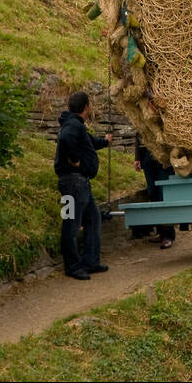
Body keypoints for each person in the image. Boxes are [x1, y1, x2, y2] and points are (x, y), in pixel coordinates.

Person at [55, 91, 112, 280]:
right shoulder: (72, 125)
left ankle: (90, 262)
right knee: (71, 224)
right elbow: (65, 140)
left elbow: (88, 142)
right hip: (72, 183)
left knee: (93, 218)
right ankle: (72, 267)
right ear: (86, 107)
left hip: (80, 184)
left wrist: (105, 142)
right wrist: (75, 160)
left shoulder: (75, 125)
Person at [134, 136, 176, 249]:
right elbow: (139, 132)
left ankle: (168, 235)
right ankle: (161, 232)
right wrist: (138, 157)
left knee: (164, 196)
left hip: (164, 158)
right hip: (148, 159)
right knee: (153, 194)